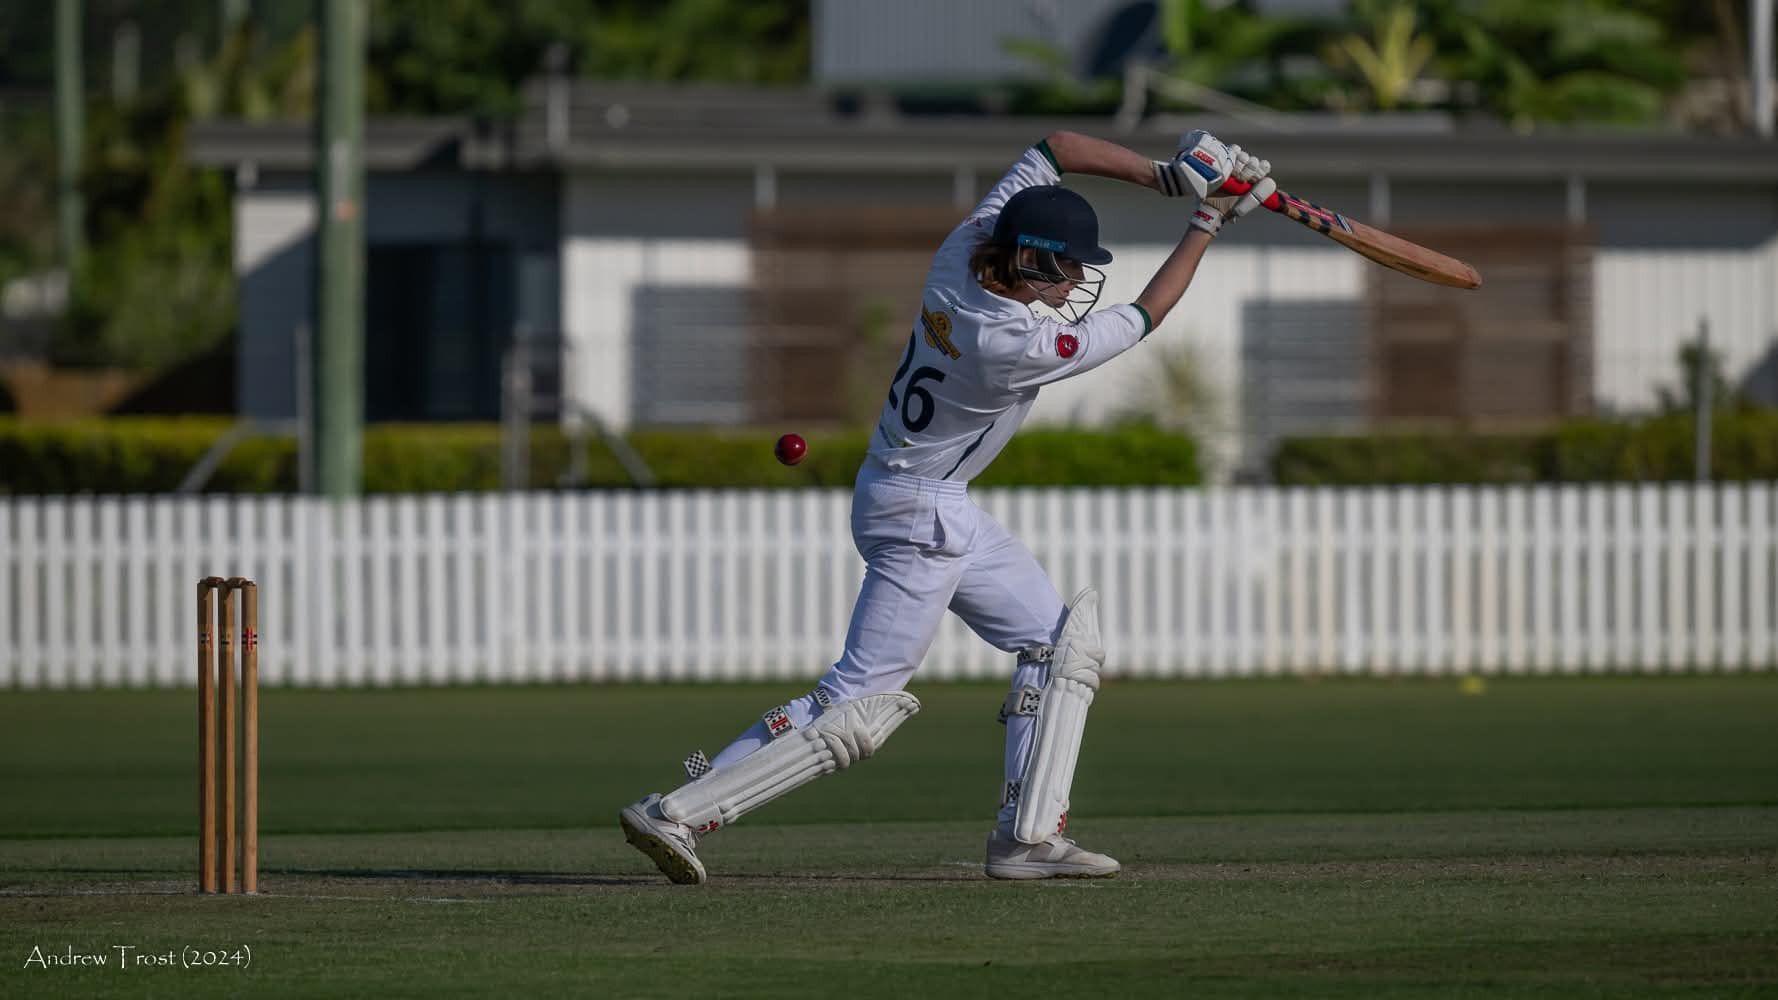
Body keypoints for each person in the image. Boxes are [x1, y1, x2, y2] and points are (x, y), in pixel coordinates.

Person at [620, 129, 1275, 883]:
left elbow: (1057, 146)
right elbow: (1145, 315)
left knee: (1061, 648)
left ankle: (1026, 839)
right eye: (1068, 272)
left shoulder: (964, 248)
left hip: (931, 499)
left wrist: (1171, 177)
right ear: (1030, 261)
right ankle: (677, 811)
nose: (1075, 287)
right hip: (917, 514)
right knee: (857, 708)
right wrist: (1207, 223)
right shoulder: (1011, 344)